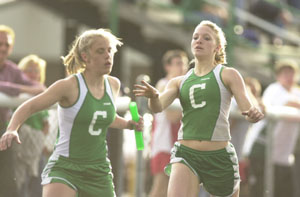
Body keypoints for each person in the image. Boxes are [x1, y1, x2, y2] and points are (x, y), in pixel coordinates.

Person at [0, 28, 144, 197]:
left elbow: (104, 117)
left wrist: (128, 124)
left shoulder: (113, 84)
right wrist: (12, 129)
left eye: (110, 50)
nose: (108, 55)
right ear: (85, 56)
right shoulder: (69, 86)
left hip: (98, 170)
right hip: (66, 168)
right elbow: (30, 106)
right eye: (100, 51)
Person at [133, 20, 264, 197]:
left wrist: (253, 114)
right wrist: (155, 96)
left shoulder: (228, 74)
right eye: (195, 37)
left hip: (219, 155)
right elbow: (157, 107)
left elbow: (247, 109)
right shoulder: (179, 81)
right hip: (186, 154)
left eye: (206, 38)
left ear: (217, 48)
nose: (199, 40)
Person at [0, 25, 45, 197]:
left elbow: (39, 87)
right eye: (0, 43)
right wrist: (21, 89)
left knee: (9, 183)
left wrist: (20, 89)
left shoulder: (12, 69)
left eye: (7, 44)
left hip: (4, 129)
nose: (3, 48)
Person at [247, 59, 300, 197]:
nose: (289, 77)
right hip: (262, 150)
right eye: (285, 73)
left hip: (284, 155)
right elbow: (289, 103)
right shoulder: (274, 89)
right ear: (278, 76)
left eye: (292, 73)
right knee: (259, 191)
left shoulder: (296, 91)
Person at [149, 49, 189, 197]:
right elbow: (173, 116)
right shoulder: (163, 84)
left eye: (184, 64)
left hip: (179, 144)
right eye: (178, 64)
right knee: (160, 188)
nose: (182, 68)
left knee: (176, 190)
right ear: (168, 67)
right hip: (164, 144)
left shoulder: (184, 85)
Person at [13, 54, 49, 197]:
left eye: (36, 70)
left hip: (37, 144)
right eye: (29, 70)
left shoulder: (44, 93)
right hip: (20, 144)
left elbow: (46, 123)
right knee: (20, 180)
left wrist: (42, 141)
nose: (33, 74)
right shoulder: (17, 93)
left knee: (38, 180)